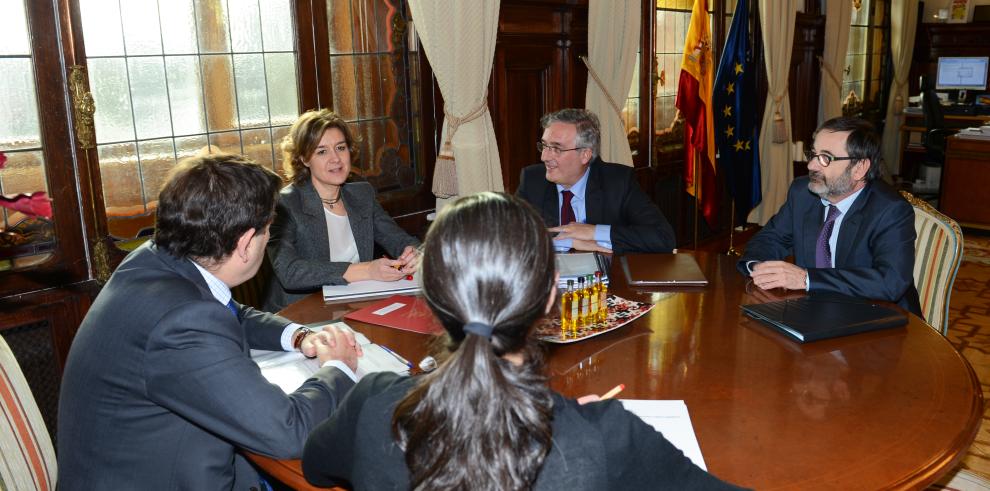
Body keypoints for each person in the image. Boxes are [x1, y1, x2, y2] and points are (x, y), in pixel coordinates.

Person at [301, 192, 743, 490]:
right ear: (551, 292)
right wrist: (591, 431)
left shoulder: (373, 402)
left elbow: (314, 467)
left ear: (432, 301)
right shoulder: (607, 436)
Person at [57, 154, 362, 490]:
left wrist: (297, 335)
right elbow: (290, 432)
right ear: (246, 243)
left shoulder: (154, 259)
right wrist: (339, 368)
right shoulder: (183, 322)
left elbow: (227, 311)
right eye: (268, 231)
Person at [737, 116, 921, 315]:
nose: (811, 166)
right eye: (813, 154)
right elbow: (770, 239)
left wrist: (807, 279)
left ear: (859, 168)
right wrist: (760, 267)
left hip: (876, 317)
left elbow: (890, 282)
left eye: (826, 158)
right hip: (813, 311)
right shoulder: (802, 194)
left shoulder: (890, 211)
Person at [264, 109, 420, 312]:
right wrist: (366, 270)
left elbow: (400, 240)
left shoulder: (361, 194)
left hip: (355, 303)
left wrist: (414, 254)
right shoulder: (285, 204)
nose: (336, 159)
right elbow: (290, 272)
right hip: (300, 312)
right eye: (322, 151)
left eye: (341, 147)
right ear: (303, 158)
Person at [516, 108, 676, 254]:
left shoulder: (617, 181)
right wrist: (570, 242)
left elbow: (663, 237)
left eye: (557, 148)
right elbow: (509, 235)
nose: (544, 157)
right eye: (544, 146)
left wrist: (594, 233)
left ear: (585, 154)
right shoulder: (532, 180)